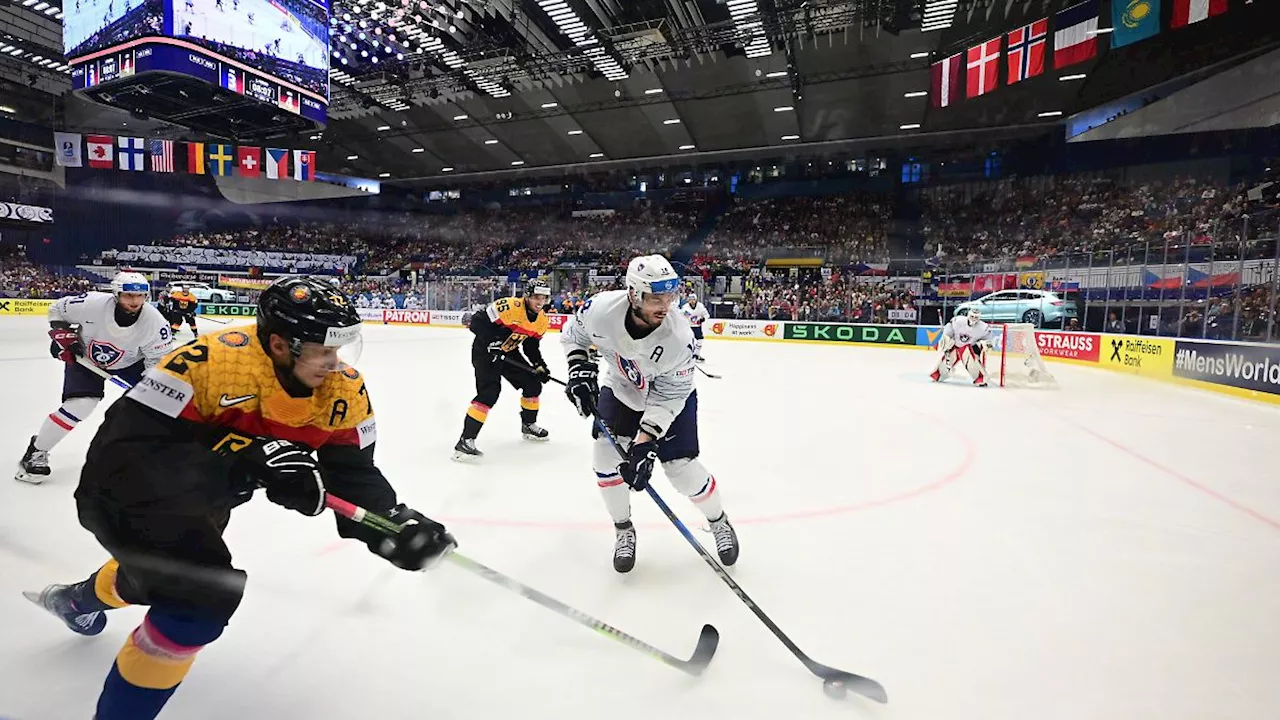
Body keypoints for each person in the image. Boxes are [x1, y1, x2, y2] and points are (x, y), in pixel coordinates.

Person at [23, 276, 455, 720]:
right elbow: (130, 448)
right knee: (197, 600)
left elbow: (352, 472)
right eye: (322, 351)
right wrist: (244, 451)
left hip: (205, 499)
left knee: (160, 575)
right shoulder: (209, 363)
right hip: (126, 486)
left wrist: (389, 523)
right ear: (280, 344)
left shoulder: (343, 388)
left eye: (340, 349)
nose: (334, 363)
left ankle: (74, 600)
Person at [561, 255, 738, 573]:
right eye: (656, 296)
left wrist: (645, 441)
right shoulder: (600, 310)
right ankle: (623, 529)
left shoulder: (679, 338)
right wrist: (580, 370)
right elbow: (576, 335)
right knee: (604, 459)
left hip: (670, 399)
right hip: (622, 389)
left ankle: (718, 519)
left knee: (681, 471)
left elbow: (671, 394)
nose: (665, 304)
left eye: (669, 295)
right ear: (633, 294)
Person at [16, 271, 172, 484]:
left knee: (155, 407)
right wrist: (62, 334)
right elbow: (57, 310)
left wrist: (148, 391)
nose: (135, 301)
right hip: (86, 358)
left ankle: (153, 456)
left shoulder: (156, 325)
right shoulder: (91, 304)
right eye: (128, 296)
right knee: (81, 405)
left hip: (131, 363)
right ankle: (36, 451)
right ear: (116, 294)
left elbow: (156, 363)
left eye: (140, 296)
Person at [453, 278, 553, 461]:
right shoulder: (509, 306)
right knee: (489, 393)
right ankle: (465, 441)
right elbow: (477, 322)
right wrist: (491, 342)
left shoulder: (542, 321)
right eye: (536, 297)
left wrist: (540, 366)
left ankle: (528, 425)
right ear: (527, 296)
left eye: (544, 298)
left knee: (533, 384)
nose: (540, 302)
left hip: (508, 352)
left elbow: (531, 347)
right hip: (485, 352)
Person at [930, 307, 993, 386]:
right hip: (956, 345)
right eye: (972, 316)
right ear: (968, 315)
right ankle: (939, 374)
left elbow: (988, 340)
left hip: (969, 348)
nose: (973, 319)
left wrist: (986, 345)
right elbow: (949, 327)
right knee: (946, 362)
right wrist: (946, 337)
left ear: (979, 318)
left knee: (973, 363)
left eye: (976, 317)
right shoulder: (958, 321)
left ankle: (980, 378)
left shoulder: (983, 328)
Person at [679, 294, 710, 362]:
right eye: (690, 300)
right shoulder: (685, 307)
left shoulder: (700, 306)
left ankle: (696, 354)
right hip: (688, 327)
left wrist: (702, 319)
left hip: (697, 327)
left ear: (696, 300)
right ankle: (686, 356)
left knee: (700, 340)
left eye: (693, 299)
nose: (692, 301)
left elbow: (706, 315)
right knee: (688, 341)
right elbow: (682, 316)